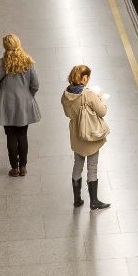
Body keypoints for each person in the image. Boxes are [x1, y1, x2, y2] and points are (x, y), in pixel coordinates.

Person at [0, 34, 41, 177]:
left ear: (5, 46)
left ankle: (14, 168)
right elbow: (35, 85)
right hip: (24, 104)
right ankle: (23, 166)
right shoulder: (27, 62)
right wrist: (27, 95)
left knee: (10, 136)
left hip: (6, 105)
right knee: (23, 135)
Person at [61, 65, 111, 209]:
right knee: (92, 166)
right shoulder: (87, 94)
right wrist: (101, 99)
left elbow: (67, 113)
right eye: (88, 77)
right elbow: (102, 111)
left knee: (78, 164)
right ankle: (94, 201)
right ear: (84, 78)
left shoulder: (65, 94)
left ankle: (77, 200)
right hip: (90, 134)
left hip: (76, 134)